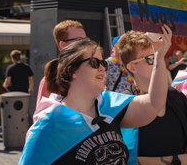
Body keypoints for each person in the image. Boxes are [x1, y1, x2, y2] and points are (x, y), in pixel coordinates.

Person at [20, 25, 172, 165]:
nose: (102, 68)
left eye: (103, 63)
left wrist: (159, 55)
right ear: (72, 71)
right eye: (94, 62)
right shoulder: (48, 125)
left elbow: (154, 104)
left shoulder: (109, 104)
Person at [117, 31, 187, 165]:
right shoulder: (123, 104)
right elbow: (126, 160)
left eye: (160, 55)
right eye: (151, 58)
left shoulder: (176, 97)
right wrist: (176, 161)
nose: (158, 61)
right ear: (132, 67)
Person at [35, 20, 86, 107]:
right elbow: (42, 116)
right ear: (63, 45)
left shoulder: (93, 69)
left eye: (85, 39)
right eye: (79, 40)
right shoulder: (51, 79)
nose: (85, 44)